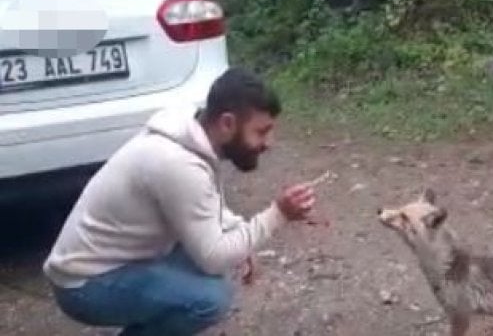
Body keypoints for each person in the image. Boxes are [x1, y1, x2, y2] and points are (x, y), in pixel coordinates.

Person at [43, 67, 316, 336]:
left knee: (216, 268)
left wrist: (238, 231)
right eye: (261, 131)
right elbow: (213, 257)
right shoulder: (178, 164)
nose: (269, 142)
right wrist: (277, 214)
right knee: (209, 299)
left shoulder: (190, 132)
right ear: (227, 123)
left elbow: (205, 206)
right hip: (84, 285)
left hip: (111, 264)